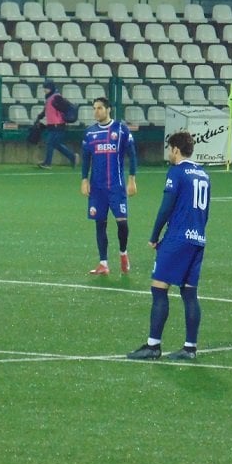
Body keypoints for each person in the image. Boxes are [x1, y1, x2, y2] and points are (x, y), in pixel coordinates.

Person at [127, 131, 210, 360]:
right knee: (190, 293)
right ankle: (190, 348)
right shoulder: (203, 174)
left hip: (178, 239)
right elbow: (205, 212)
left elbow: (166, 207)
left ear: (176, 149)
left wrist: (155, 236)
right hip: (198, 239)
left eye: (170, 149)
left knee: (159, 289)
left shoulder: (176, 172)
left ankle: (153, 346)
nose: (169, 154)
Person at [80, 96, 137, 275]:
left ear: (108, 109)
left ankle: (123, 253)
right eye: (94, 108)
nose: (96, 112)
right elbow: (86, 158)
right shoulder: (90, 133)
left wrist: (132, 179)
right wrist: (84, 180)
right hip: (97, 188)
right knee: (100, 224)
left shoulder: (121, 129)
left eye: (99, 108)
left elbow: (132, 155)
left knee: (122, 223)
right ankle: (103, 263)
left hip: (116, 186)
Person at [35, 80, 78, 169]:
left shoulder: (56, 97)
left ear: (51, 88)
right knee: (56, 144)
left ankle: (47, 163)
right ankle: (72, 157)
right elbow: (47, 110)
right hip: (53, 125)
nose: (45, 90)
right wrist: (40, 116)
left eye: (46, 88)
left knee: (50, 143)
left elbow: (64, 108)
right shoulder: (50, 98)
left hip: (57, 125)